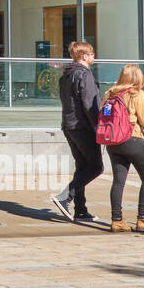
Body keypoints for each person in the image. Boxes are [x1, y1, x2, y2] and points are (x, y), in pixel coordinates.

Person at [102, 64, 144, 233]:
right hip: (132, 139)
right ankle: (143, 219)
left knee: (118, 181)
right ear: (138, 79)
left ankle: (117, 221)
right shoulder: (137, 94)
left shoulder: (110, 93)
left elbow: (104, 115)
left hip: (113, 142)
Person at [50, 40, 103, 222]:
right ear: (85, 56)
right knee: (96, 167)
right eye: (92, 54)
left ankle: (80, 209)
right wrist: (99, 127)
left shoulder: (66, 75)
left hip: (69, 125)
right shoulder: (84, 74)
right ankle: (65, 197)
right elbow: (90, 104)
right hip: (83, 127)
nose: (94, 57)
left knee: (82, 167)